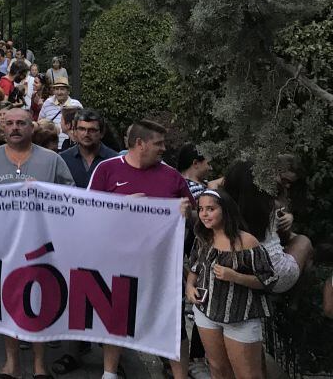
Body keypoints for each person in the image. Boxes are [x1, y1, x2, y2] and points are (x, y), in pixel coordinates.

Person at [0, 107, 75, 379]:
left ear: (32, 128)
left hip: (42, 246)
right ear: (2, 127)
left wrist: (45, 194)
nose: (15, 127)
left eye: (21, 123)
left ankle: (40, 366)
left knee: (39, 303)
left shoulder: (52, 160)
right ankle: (12, 364)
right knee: (9, 303)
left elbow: (72, 198)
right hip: (2, 246)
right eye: (10, 123)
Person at [88, 120, 194, 379]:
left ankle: (180, 374)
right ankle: (109, 373)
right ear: (140, 144)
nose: (163, 149)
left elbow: (195, 218)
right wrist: (120, 204)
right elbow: (88, 212)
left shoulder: (171, 176)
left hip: (162, 267)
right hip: (119, 263)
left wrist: (187, 213)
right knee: (117, 319)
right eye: (158, 144)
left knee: (173, 323)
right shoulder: (107, 169)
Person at [186, 189, 276, 379]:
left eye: (210, 208)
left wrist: (236, 276)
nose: (204, 214)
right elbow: (194, 267)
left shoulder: (247, 242)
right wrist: (189, 287)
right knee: (217, 367)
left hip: (241, 316)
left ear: (225, 210)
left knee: (248, 374)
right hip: (207, 312)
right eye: (201, 209)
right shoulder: (203, 237)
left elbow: (268, 279)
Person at [224, 161, 312, 296]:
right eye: (282, 179)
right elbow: (284, 237)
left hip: (242, 267)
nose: (284, 184)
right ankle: (297, 297)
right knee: (304, 242)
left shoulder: (224, 207)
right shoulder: (270, 206)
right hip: (273, 275)